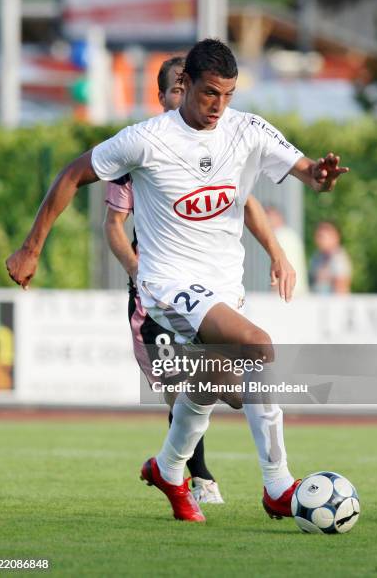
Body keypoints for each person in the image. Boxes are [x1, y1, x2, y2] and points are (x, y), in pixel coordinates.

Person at [6, 38, 349, 524]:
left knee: (224, 386)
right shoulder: (146, 138)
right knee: (259, 345)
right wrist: (31, 248)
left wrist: (321, 175)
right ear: (185, 84)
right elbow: (70, 175)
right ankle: (278, 485)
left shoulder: (247, 129)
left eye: (228, 94)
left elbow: (308, 174)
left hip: (223, 289)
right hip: (166, 286)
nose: (219, 106)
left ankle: (169, 468)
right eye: (210, 93)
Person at [104, 56, 297, 504]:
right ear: (166, 95)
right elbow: (114, 225)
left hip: (208, 290)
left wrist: (277, 252)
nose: (184, 99)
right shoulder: (142, 149)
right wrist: (139, 270)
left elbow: (244, 202)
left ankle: (168, 468)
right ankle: (203, 476)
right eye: (174, 90)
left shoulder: (215, 146)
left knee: (225, 387)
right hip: (157, 298)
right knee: (183, 389)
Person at [265, 205, 309, 296]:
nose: (265, 220)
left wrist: (275, 289)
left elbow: (280, 265)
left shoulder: (279, 236)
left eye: (268, 216)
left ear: (278, 217)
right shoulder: (290, 235)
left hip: (286, 291)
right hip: (296, 290)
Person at [309, 221, 352, 293]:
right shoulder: (317, 256)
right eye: (318, 236)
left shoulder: (339, 259)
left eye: (322, 236)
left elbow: (341, 288)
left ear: (336, 237)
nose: (318, 240)